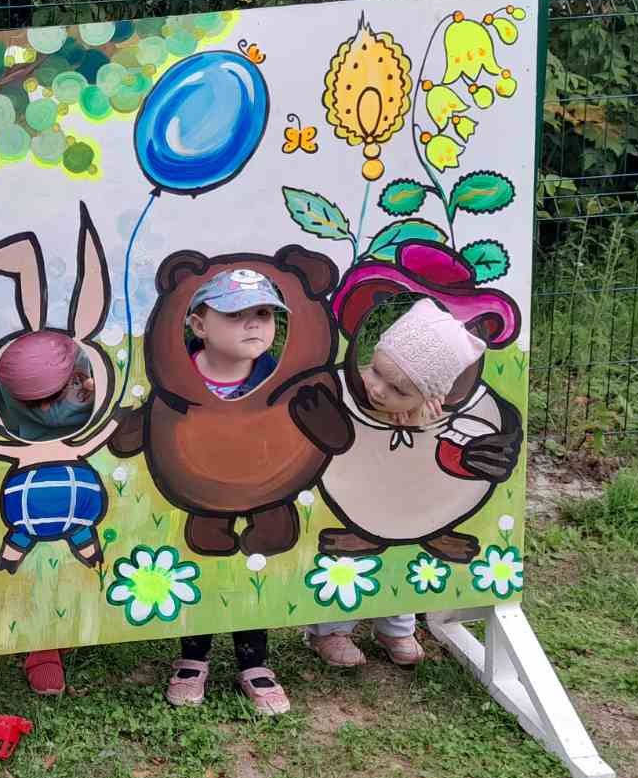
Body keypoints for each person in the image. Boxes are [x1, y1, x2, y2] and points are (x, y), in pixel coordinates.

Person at [306, 297, 488, 668]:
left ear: (431, 395)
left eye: (400, 391)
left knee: (405, 545)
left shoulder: (429, 409)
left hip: (401, 500)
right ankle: (331, 630)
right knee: (347, 557)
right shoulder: (353, 386)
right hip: (351, 496)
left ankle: (396, 626)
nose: (378, 389)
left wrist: (423, 422)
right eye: (376, 371)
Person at [164, 267, 291, 714]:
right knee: (198, 561)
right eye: (236, 314)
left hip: (254, 489)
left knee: (249, 568)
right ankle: (193, 657)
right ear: (200, 325)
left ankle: (254, 663)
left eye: (264, 313)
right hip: (196, 488)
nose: (254, 323)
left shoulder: (277, 376)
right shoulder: (178, 372)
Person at [0, 330, 95, 697]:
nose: (47, 410)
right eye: (34, 401)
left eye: (52, 396)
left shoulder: (86, 366)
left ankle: (78, 621)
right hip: (28, 470)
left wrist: (95, 393)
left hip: (85, 466)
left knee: (85, 550)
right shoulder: (1, 376)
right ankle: (44, 646)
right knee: (31, 556)